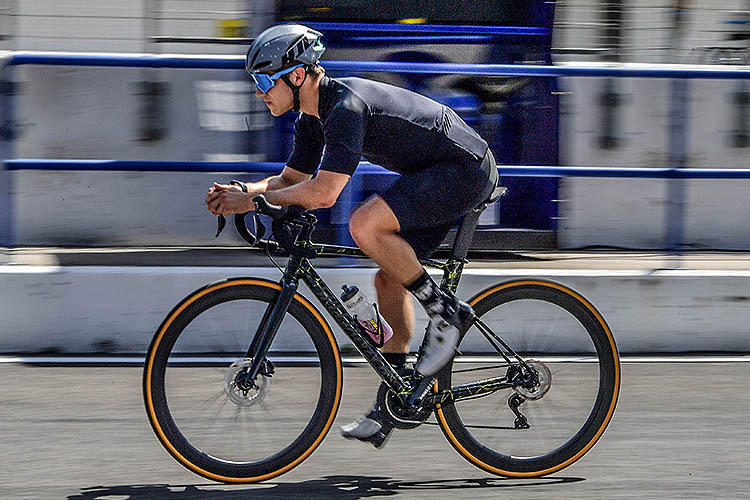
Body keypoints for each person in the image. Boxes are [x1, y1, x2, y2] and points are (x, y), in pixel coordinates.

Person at [205, 23, 498, 448]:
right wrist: (244, 191)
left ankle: (446, 313)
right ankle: (395, 403)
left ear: (298, 75)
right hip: (433, 173)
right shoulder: (311, 117)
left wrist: (251, 205)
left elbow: (324, 194)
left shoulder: (345, 107)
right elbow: (290, 179)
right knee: (388, 279)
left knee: (364, 223)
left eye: (265, 80)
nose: (259, 91)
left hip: (465, 169)